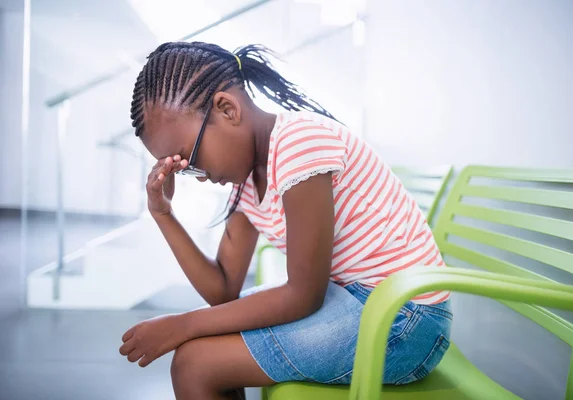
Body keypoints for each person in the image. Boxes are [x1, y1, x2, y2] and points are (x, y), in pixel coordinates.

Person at [119, 42, 452, 400]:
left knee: (194, 363)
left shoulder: (298, 143)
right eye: (186, 170)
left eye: (191, 159)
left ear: (227, 109)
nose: (199, 177)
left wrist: (181, 325)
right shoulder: (247, 180)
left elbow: (303, 295)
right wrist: (163, 213)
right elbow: (223, 290)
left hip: (404, 318)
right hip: (358, 300)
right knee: (200, 348)